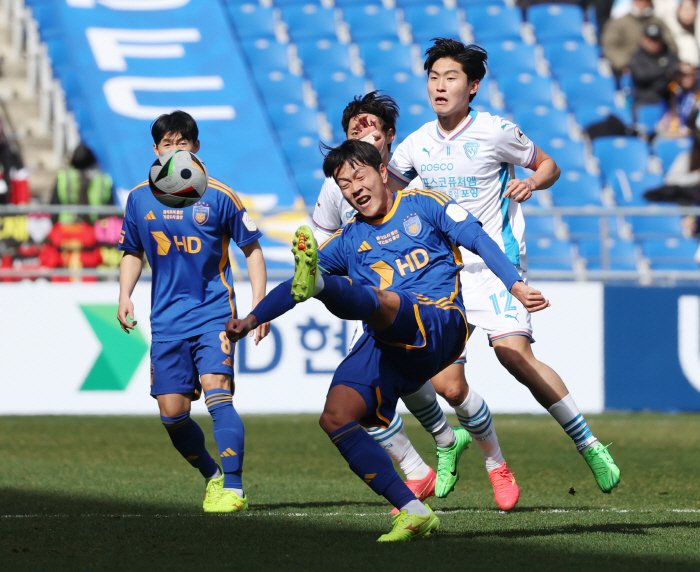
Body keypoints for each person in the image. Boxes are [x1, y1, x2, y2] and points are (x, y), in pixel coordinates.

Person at [225, 140, 550, 541]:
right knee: (336, 416)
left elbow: (480, 241)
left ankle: (324, 285)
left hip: (438, 323)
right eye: (344, 184)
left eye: (359, 175)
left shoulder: (425, 204)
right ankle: (414, 511)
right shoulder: (350, 237)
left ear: (382, 171)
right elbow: (293, 285)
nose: (354, 188)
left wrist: (514, 284)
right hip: (387, 340)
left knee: (381, 299)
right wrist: (252, 318)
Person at [386, 38, 621, 494]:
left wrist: (532, 180)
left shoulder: (495, 131)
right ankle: (481, 456)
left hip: (497, 268)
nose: (440, 86)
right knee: (450, 388)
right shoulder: (415, 145)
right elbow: (389, 196)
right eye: (433, 78)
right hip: (443, 277)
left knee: (514, 355)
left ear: (472, 86)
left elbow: (549, 165)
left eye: (450, 78)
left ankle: (588, 442)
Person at [312, 92, 520, 512]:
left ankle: (494, 462)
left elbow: (455, 229)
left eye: (371, 128)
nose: (363, 134)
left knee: (451, 387)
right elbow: (322, 246)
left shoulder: (418, 185)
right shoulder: (336, 186)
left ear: (389, 137)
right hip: (374, 301)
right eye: (354, 130)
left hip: (431, 301)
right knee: (368, 395)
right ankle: (422, 463)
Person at [117, 110, 270, 513]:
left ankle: (234, 488)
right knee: (172, 414)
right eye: (168, 143)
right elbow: (131, 252)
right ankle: (212, 476)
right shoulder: (138, 198)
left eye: (182, 142)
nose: (175, 149)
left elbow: (252, 250)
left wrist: (260, 305)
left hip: (213, 313)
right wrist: (124, 295)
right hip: (166, 318)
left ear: (196, 147)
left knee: (219, 395)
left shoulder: (219, 195)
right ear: (155, 150)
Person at [602, 0, 678, 77]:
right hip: (629, 69)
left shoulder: (658, 22)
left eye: (645, 2)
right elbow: (610, 46)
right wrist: (624, 64)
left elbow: (671, 46)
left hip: (657, 69)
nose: (642, 5)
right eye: (639, 2)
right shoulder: (619, 23)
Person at [51, 144, 113, 224]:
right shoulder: (104, 180)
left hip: (66, 228)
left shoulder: (63, 177)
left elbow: (54, 205)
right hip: (94, 228)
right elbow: (110, 210)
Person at [628, 23, 682, 108]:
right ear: (643, 39)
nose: (653, 43)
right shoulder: (637, 57)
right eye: (650, 40)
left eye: (657, 40)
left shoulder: (668, 53)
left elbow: (677, 68)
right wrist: (665, 71)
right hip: (645, 102)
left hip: (669, 100)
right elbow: (641, 76)